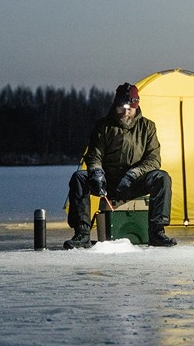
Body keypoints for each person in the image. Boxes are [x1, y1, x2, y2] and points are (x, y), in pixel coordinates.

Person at [64, 82, 176, 248]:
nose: (125, 112)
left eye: (130, 109)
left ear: (136, 107)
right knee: (79, 178)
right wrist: (96, 172)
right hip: (108, 182)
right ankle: (82, 233)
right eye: (122, 108)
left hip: (135, 181)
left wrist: (133, 174)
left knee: (162, 178)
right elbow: (94, 154)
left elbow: (153, 159)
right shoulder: (103, 127)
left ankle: (157, 232)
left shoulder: (147, 127)